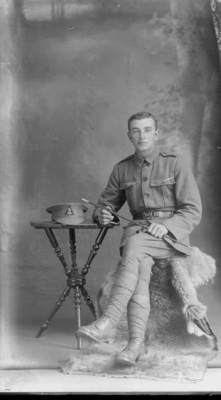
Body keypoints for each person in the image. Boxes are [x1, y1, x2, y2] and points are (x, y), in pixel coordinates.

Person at [77, 111, 202, 366]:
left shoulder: (175, 164)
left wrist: (166, 226)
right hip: (138, 235)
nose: (141, 135)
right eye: (136, 130)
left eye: (147, 130)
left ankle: (109, 321)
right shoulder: (122, 169)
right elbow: (106, 208)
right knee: (139, 267)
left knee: (133, 245)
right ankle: (134, 346)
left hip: (170, 239)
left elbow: (192, 210)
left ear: (156, 134)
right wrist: (102, 215)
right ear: (129, 136)